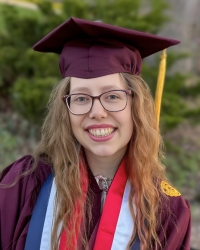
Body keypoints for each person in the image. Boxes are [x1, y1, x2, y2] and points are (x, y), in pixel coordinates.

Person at [0, 17, 191, 250]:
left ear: (136, 105)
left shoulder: (167, 209)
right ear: (65, 110)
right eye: (81, 98)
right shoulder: (24, 183)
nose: (97, 112)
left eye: (112, 96)